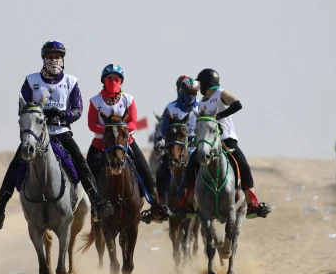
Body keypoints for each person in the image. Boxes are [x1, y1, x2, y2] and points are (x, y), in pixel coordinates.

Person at [0, 41, 113, 230]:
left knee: (81, 161)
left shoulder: (71, 82)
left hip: (61, 132)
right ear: (44, 59)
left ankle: (96, 200)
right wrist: (40, 113)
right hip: (38, 134)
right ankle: (0, 209)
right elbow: (23, 107)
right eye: (50, 57)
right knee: (15, 164)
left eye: (57, 57)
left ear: (62, 59)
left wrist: (64, 114)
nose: (54, 61)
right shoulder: (31, 81)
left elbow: (78, 109)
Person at [175, 69, 269, 218]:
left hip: (226, 139)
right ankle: (188, 202)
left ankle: (252, 203)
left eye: (201, 83)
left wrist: (219, 116)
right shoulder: (200, 105)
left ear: (206, 83)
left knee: (243, 164)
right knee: (192, 164)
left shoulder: (220, 93)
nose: (200, 87)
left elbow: (237, 104)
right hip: (207, 142)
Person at [85, 64, 171, 221]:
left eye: (116, 78)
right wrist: (108, 130)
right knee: (87, 172)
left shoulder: (128, 99)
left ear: (121, 81)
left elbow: (133, 122)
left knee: (145, 170)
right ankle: (93, 205)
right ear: (103, 80)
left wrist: (120, 129)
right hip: (100, 144)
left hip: (126, 143)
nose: (113, 80)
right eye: (109, 78)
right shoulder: (95, 101)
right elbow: (91, 124)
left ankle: (156, 206)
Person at [155, 75, 200, 197]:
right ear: (181, 91)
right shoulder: (170, 107)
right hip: (175, 146)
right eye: (187, 92)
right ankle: (160, 203)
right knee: (162, 171)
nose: (190, 96)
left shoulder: (201, 107)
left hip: (195, 147)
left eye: (193, 93)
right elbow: (163, 130)